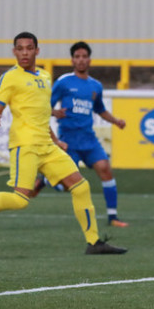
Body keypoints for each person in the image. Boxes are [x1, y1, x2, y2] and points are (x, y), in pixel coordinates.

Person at [0, 31, 126, 255]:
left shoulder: (44, 76)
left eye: (29, 48)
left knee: (81, 186)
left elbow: (42, 113)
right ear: (14, 52)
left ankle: (94, 242)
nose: (24, 52)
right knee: (21, 199)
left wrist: (56, 140)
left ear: (37, 51)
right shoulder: (10, 77)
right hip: (26, 145)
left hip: (47, 146)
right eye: (20, 49)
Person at [48, 41, 128, 226]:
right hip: (68, 140)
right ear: (72, 60)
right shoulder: (63, 82)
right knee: (68, 185)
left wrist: (116, 121)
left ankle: (113, 217)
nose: (81, 60)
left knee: (105, 170)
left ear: (90, 60)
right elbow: (44, 106)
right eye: (77, 57)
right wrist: (54, 112)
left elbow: (100, 109)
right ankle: (46, 179)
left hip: (89, 140)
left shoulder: (95, 86)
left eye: (84, 56)